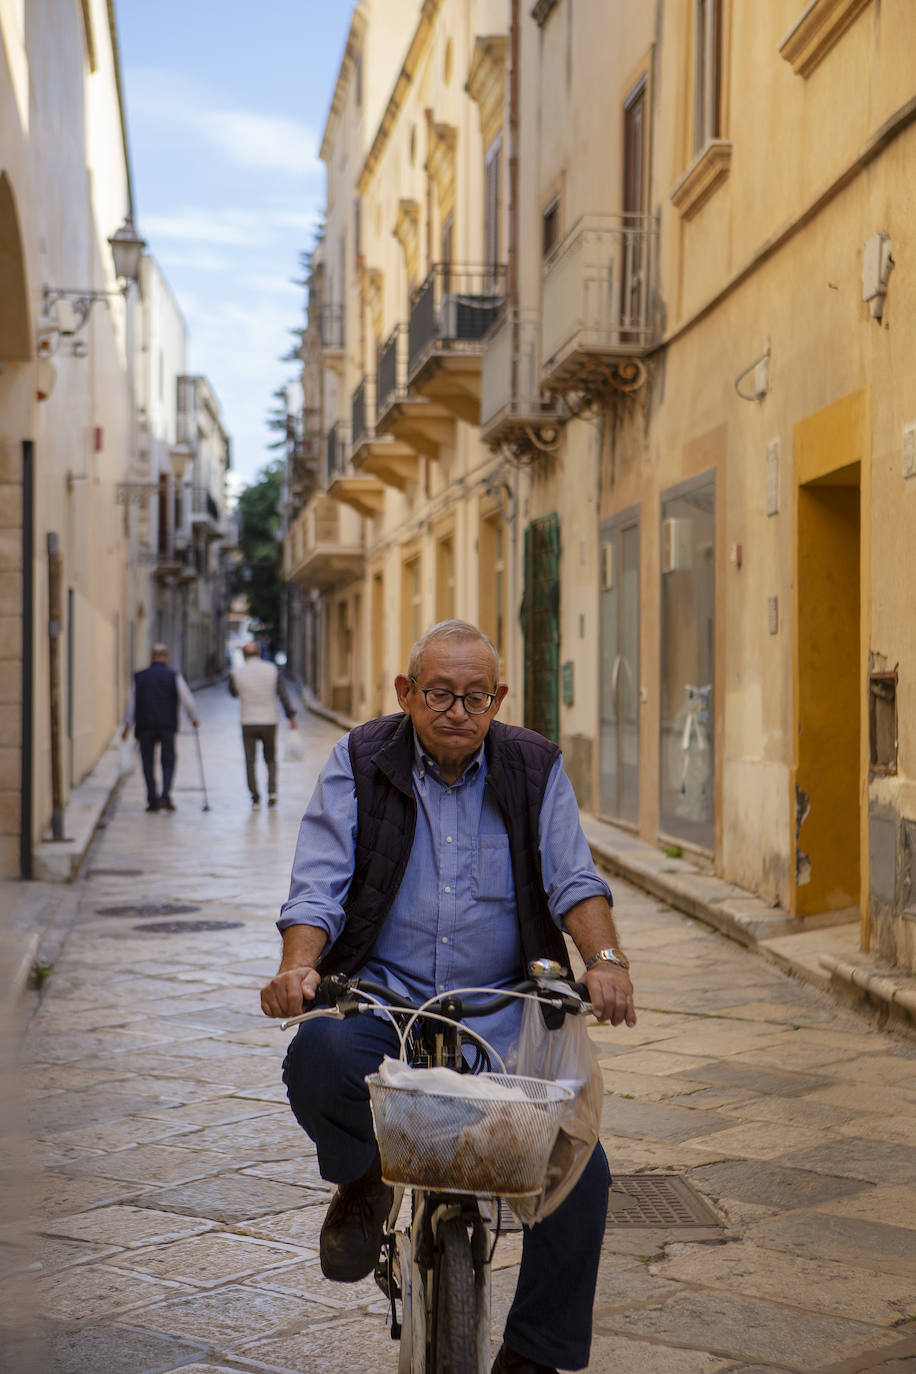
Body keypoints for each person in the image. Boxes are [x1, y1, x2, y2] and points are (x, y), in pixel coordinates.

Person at [260, 619, 636, 1374]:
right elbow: (319, 883)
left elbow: (573, 877)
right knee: (319, 1057)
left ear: (497, 699)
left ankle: (530, 1355)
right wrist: (298, 968)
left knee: (581, 1172)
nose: (457, 710)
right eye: (439, 693)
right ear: (407, 693)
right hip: (386, 1001)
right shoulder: (361, 759)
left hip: (506, 1008)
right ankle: (364, 1179)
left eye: (475, 696)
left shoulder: (533, 766)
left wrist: (605, 959)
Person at [122, 644, 199, 813]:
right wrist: (193, 718)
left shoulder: (140, 676)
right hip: (167, 725)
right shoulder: (173, 676)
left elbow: (131, 703)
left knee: (147, 763)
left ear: (152, 657)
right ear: (166, 657)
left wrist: (127, 725)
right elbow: (187, 699)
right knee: (168, 761)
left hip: (145, 726)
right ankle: (165, 795)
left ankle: (152, 799)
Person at [229, 640, 299, 808]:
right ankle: (272, 792)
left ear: (244, 655)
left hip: (248, 721)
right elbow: (282, 694)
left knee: (250, 761)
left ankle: (255, 798)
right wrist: (290, 716)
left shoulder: (237, 673)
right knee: (270, 759)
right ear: (259, 653)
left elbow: (232, 692)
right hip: (269, 721)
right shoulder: (272, 670)